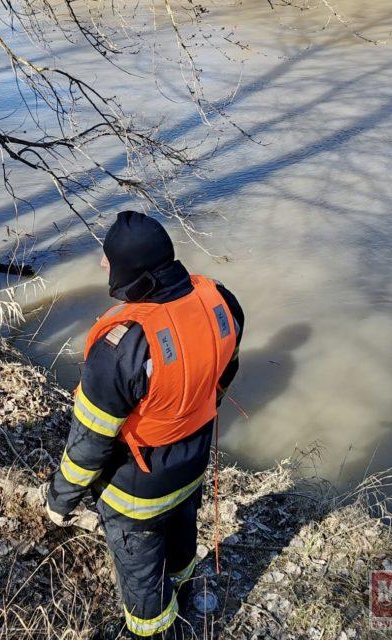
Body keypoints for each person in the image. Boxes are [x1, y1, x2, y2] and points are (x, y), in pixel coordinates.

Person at [45, 211, 245, 639]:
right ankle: (187, 591)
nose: (102, 265)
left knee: (143, 583)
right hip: (192, 466)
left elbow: (89, 444)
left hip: (135, 492)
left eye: (108, 258)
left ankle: (154, 630)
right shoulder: (221, 302)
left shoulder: (121, 347)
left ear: (131, 272)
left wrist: (59, 501)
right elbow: (224, 375)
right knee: (181, 542)